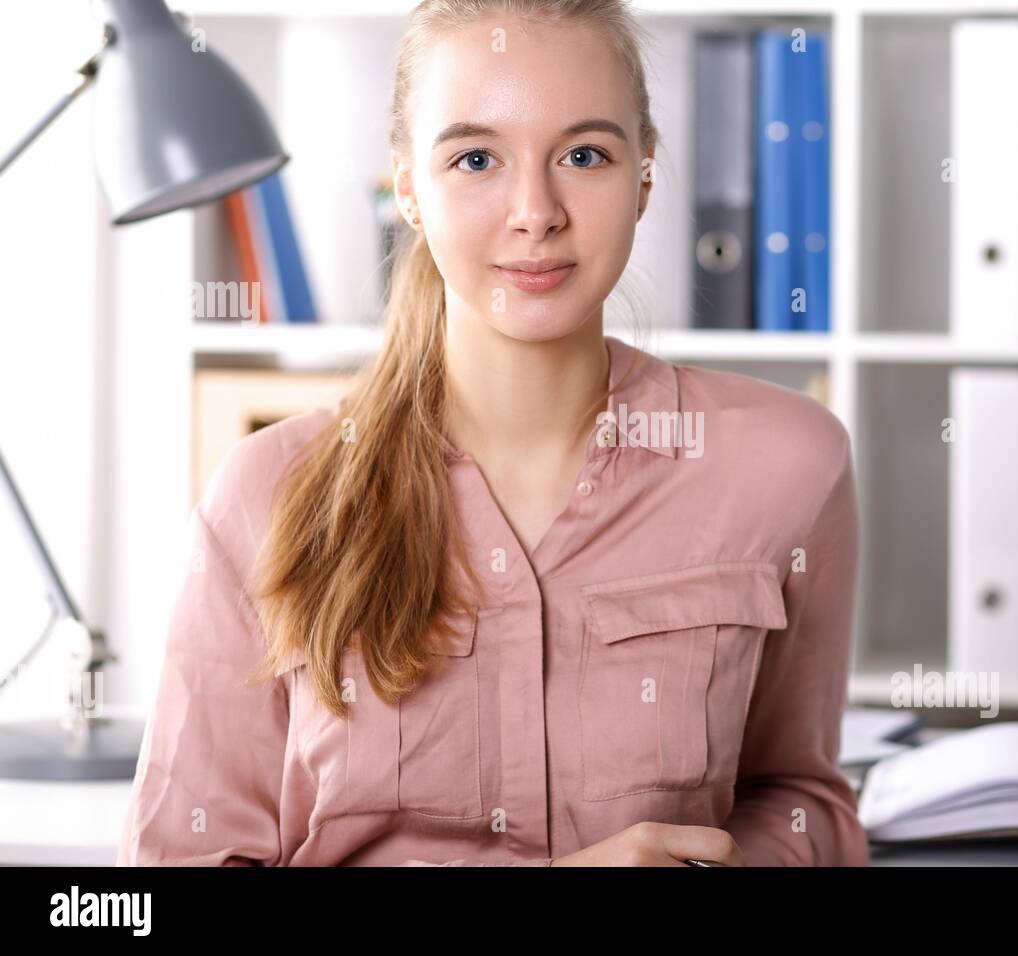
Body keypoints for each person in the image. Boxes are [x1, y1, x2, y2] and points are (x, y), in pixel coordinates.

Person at [117, 0, 867, 867]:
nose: (535, 212)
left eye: (584, 155)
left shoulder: (789, 464)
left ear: (645, 175)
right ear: (406, 186)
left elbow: (805, 802)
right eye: (476, 158)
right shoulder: (264, 494)